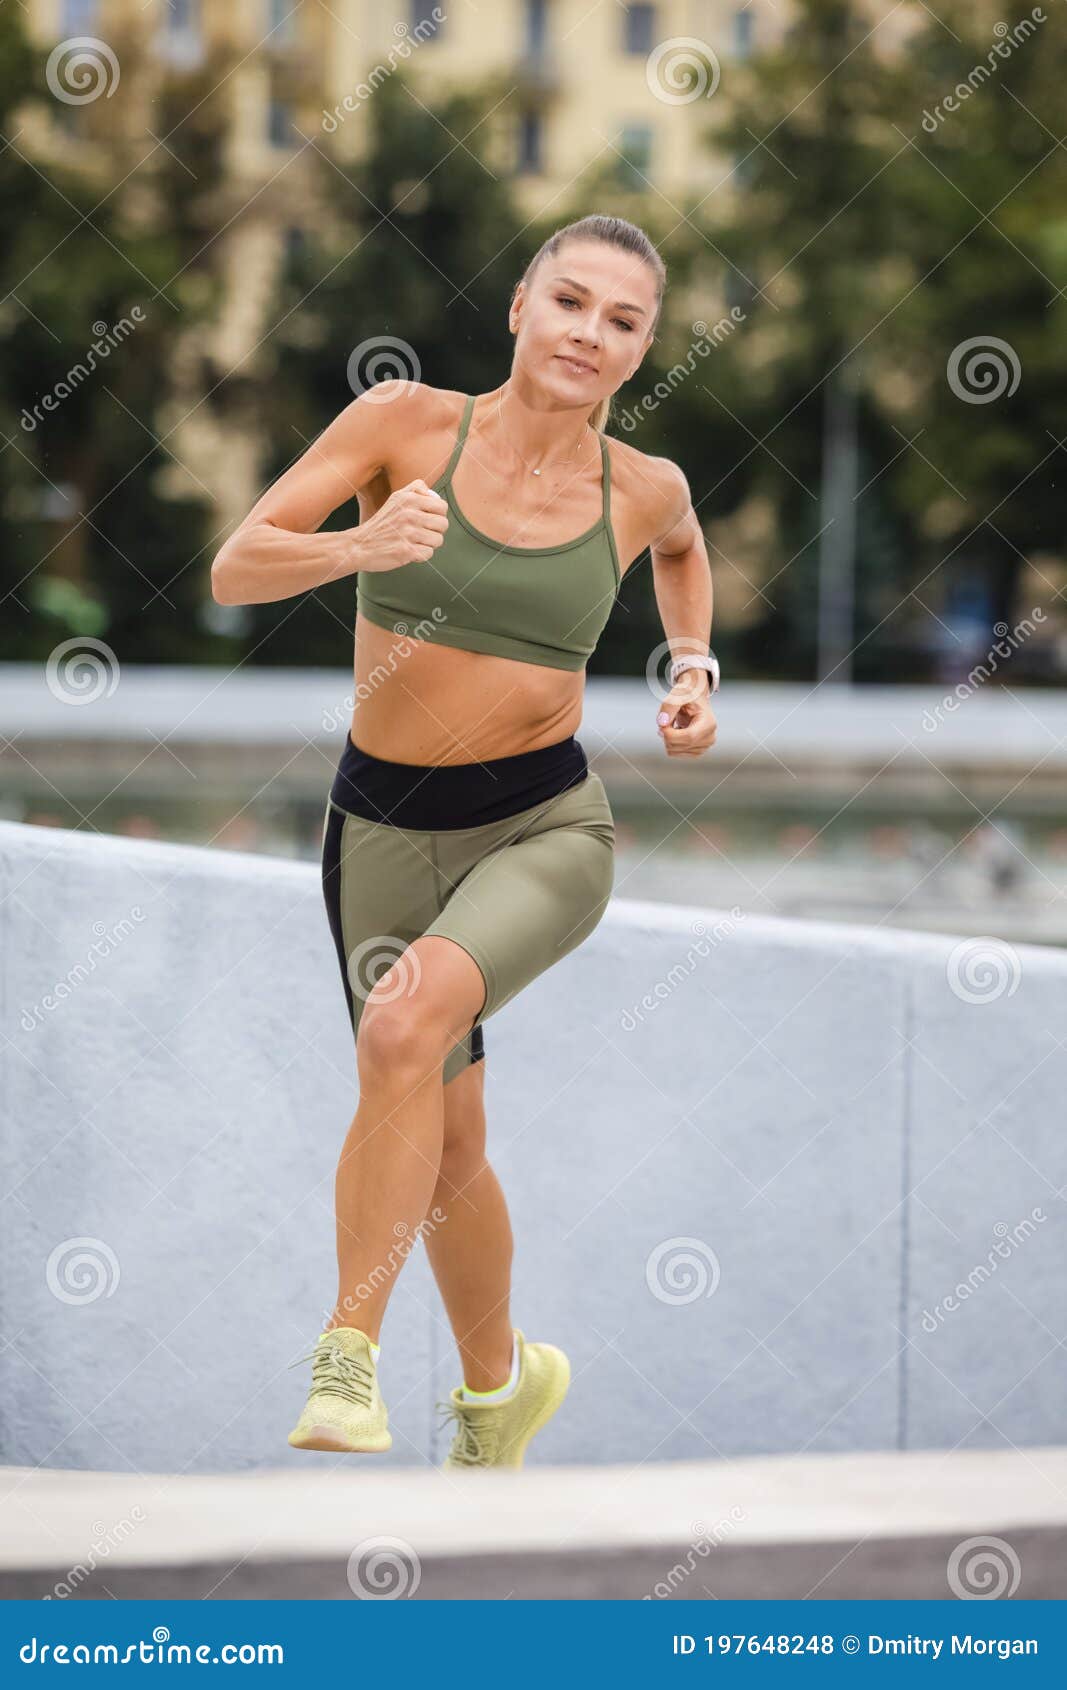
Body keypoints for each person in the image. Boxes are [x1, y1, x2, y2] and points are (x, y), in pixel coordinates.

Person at [210, 213, 718, 1470]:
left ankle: (346, 1358)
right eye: (570, 302)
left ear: (643, 347)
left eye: (622, 321)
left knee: (398, 1027)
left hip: (540, 823)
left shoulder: (639, 486)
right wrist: (361, 546)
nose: (588, 335)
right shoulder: (403, 425)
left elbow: (682, 548)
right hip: (379, 828)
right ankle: (501, 1391)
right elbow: (234, 566)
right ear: (518, 307)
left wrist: (692, 663)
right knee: (447, 1146)